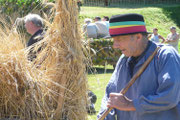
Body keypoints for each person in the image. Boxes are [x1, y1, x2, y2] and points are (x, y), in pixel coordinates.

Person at [97, 13, 180, 120]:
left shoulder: (165, 55)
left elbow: (170, 96)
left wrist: (131, 105)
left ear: (138, 37)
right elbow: (110, 95)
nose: (115, 45)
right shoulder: (123, 59)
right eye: (114, 40)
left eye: (119, 39)